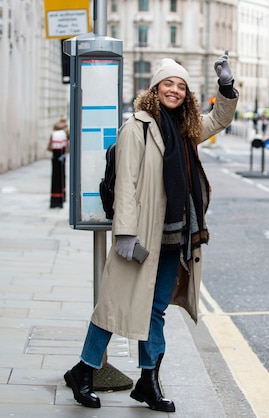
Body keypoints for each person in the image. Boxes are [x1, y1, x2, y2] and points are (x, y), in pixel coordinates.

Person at [63, 51, 239, 411]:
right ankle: (83, 370)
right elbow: (126, 183)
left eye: (180, 86)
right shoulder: (137, 127)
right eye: (168, 83)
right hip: (142, 236)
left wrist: (226, 84)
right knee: (115, 304)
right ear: (155, 88)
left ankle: (148, 381)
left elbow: (220, 118)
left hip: (174, 237)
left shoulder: (187, 128)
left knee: (155, 309)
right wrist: (125, 234)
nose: (174, 90)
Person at [48, 115, 69, 208]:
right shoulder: (64, 130)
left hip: (56, 156)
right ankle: (60, 198)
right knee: (60, 176)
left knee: (57, 177)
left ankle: (56, 199)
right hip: (61, 155)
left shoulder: (56, 128)